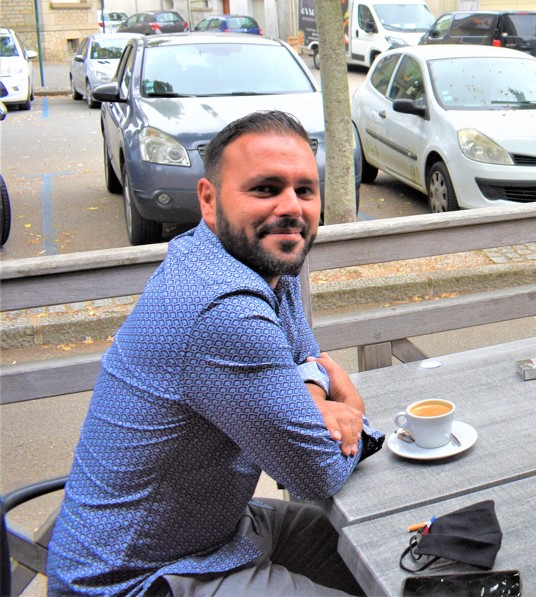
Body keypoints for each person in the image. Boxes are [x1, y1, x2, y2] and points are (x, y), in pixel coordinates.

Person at [47, 111, 380, 596]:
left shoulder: (258, 262)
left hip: (218, 531)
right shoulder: (221, 308)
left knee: (375, 550)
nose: (291, 208)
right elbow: (316, 472)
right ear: (209, 199)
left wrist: (306, 388)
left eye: (305, 190)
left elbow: (308, 361)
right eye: (266, 189)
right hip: (134, 580)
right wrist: (353, 412)